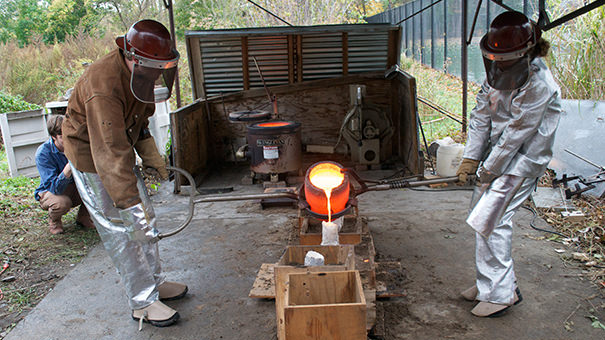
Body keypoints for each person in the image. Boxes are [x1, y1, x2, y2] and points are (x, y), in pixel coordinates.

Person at [62, 19, 186, 327]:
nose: (159, 75)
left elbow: (138, 123)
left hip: (116, 148)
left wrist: (153, 158)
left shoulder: (140, 76)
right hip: (92, 156)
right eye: (155, 67)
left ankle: (155, 284)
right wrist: (128, 202)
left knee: (147, 220)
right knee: (124, 230)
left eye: (163, 67)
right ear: (134, 58)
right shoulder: (103, 86)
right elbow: (109, 152)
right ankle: (142, 302)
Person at [456, 11, 562, 317]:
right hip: (497, 154)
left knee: (491, 220)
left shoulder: (539, 83)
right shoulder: (497, 71)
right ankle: (491, 282)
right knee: (482, 217)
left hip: (523, 160)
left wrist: (487, 170)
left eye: (504, 59)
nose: (498, 64)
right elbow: (480, 116)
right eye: (495, 58)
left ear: (526, 52)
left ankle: (502, 295)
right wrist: (470, 158)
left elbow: (516, 136)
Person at [34, 114, 95, 234]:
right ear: (53, 137)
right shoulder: (43, 153)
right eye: (62, 137)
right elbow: (54, 187)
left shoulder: (76, 145)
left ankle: (83, 217)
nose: (67, 140)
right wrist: (68, 169)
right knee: (62, 203)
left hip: (75, 187)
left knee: (97, 189)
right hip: (51, 192)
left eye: (68, 135)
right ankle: (54, 222)